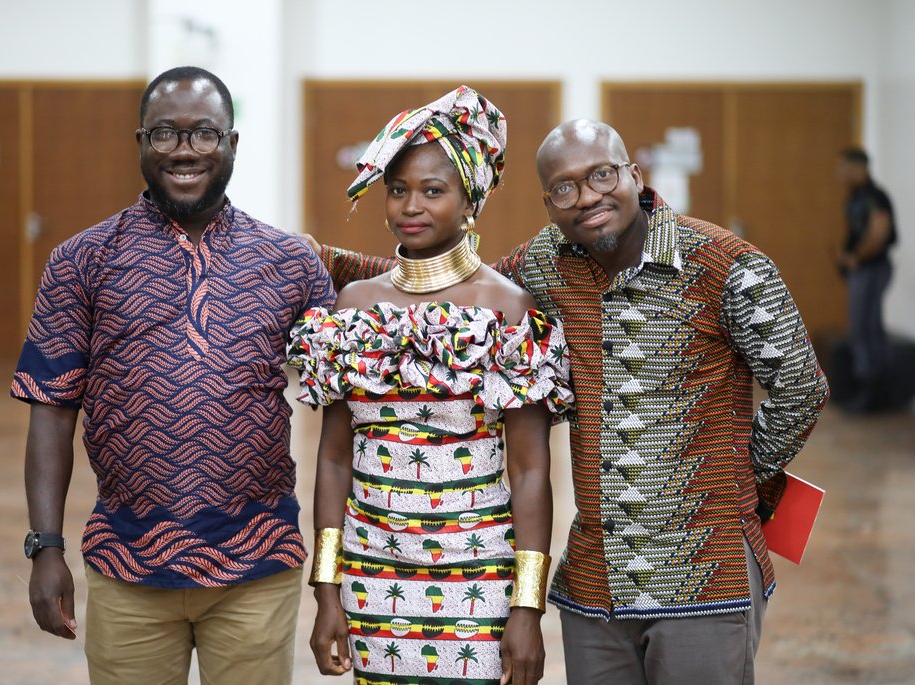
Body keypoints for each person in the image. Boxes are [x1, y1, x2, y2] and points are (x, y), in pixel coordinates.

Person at [308, 119, 829, 684]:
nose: (587, 198)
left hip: (703, 569)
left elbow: (802, 387)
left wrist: (737, 482)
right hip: (595, 582)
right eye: (564, 188)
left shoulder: (725, 264)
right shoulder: (548, 262)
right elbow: (447, 286)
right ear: (548, 204)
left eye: (601, 175)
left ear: (634, 173)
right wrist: (315, 257)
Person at [11, 66, 334, 685]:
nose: (184, 151)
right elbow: (51, 408)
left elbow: (345, 408)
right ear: (140, 143)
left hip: (259, 565)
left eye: (204, 134)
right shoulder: (82, 260)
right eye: (165, 133)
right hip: (126, 565)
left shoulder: (289, 262)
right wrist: (44, 545)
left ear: (233, 144)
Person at [288, 86, 573, 685]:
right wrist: (326, 591)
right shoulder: (355, 307)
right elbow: (335, 460)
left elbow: (529, 472)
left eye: (432, 190)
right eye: (397, 189)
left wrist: (527, 607)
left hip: (478, 583)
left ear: (469, 200)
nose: (409, 206)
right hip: (372, 576)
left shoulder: (508, 308)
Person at [836, 147, 897, 413]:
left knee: (863, 328)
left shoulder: (875, 196)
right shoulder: (856, 197)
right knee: (867, 327)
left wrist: (856, 258)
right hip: (863, 269)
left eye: (843, 167)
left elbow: (879, 232)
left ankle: (873, 393)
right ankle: (874, 391)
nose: (838, 173)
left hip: (872, 269)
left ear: (858, 167)